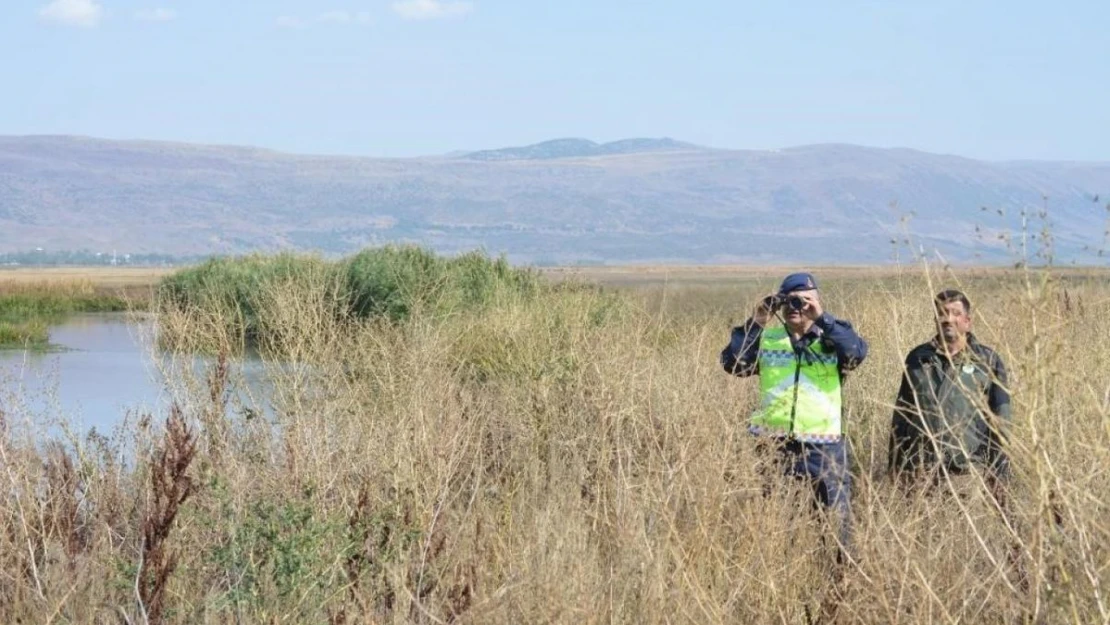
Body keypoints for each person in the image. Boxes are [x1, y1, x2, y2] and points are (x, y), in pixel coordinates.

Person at [720, 272, 868, 559]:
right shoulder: (769, 340)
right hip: (775, 447)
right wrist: (759, 319)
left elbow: (856, 353)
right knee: (776, 523)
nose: (796, 308)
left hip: (824, 447)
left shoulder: (832, 337)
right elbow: (734, 363)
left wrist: (821, 316)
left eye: (804, 301)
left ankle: (840, 581)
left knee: (837, 525)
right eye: (789, 302)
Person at [888, 289, 1013, 502]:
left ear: (967, 321)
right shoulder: (918, 359)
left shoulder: (987, 361)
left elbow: (1002, 419)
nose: (948, 319)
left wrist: (999, 471)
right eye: (943, 313)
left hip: (968, 472)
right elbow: (902, 414)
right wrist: (895, 464)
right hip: (922, 472)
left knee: (965, 533)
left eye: (956, 313)